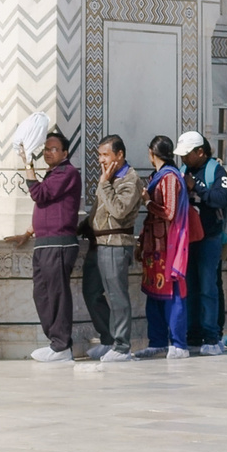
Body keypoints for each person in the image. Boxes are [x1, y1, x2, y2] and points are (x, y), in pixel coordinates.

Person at [23, 131, 81, 362]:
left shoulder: (67, 172)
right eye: (45, 149)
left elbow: (40, 194)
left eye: (53, 149)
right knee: (42, 295)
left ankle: (62, 345)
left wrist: (27, 165)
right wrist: (28, 232)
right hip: (44, 243)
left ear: (65, 153)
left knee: (56, 295)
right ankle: (56, 342)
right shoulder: (53, 173)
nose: (48, 152)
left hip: (58, 243)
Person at [84, 135, 141, 361]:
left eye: (105, 154)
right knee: (91, 291)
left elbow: (119, 211)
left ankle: (122, 346)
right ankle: (108, 338)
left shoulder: (130, 180)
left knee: (117, 296)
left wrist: (104, 185)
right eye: (99, 155)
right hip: (99, 243)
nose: (101, 160)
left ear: (120, 155)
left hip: (116, 244)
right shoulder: (108, 178)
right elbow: (99, 210)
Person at [139, 135, 196, 357]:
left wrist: (147, 202)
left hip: (168, 245)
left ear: (152, 153)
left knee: (173, 292)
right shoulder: (159, 176)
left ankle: (179, 344)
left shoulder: (170, 178)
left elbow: (169, 212)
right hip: (154, 245)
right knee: (154, 293)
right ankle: (158, 341)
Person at [180, 133, 227, 353]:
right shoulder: (183, 171)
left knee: (208, 287)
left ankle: (211, 337)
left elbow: (221, 198)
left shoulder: (215, 170)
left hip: (209, 238)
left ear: (200, 152)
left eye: (187, 154)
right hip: (188, 238)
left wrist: (197, 187)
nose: (183, 159)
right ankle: (193, 335)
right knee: (190, 287)